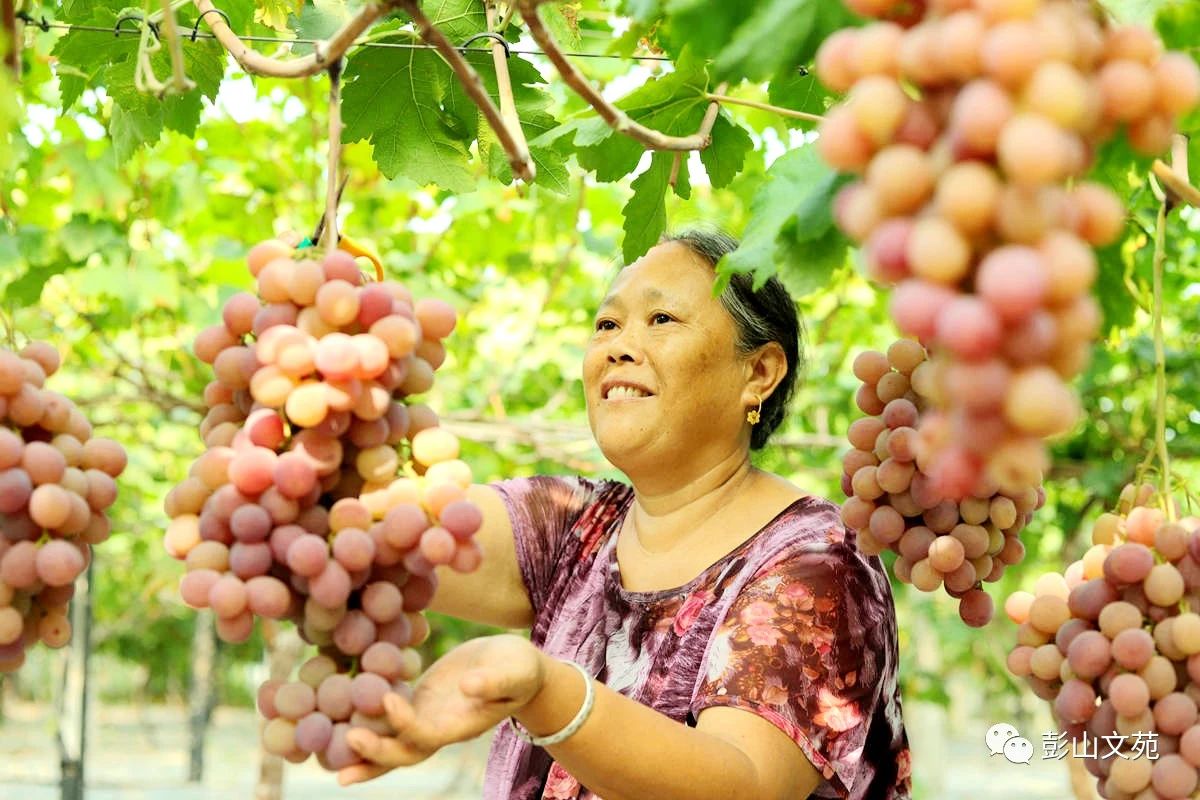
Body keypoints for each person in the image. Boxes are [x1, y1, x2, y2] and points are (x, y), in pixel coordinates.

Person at [338, 229, 912, 799]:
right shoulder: (578, 524)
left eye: (661, 320)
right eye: (607, 324)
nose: (618, 346)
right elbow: (381, 537)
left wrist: (546, 693)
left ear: (758, 373)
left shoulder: (818, 564)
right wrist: (324, 355)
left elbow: (744, 784)